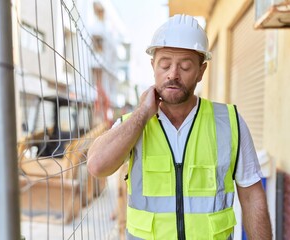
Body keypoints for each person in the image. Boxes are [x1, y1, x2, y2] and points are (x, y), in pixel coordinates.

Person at [87, 14, 272, 239]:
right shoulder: (133, 124)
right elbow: (97, 166)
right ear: (153, 65)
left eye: (185, 66)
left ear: (201, 72)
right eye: (165, 64)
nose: (173, 74)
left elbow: (252, 195)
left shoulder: (229, 122)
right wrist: (142, 114)